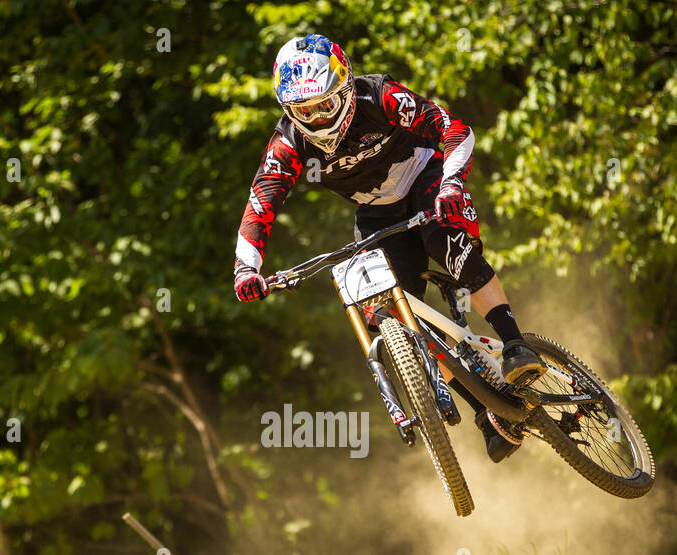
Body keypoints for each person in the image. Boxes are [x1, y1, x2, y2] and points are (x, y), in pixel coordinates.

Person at [232, 33, 545, 462]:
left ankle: (514, 344)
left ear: (344, 85)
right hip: (377, 215)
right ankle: (486, 412)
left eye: (325, 104)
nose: (319, 118)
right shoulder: (288, 144)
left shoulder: (378, 96)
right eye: (306, 110)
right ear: (289, 111)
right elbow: (260, 204)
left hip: (427, 179)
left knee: (443, 241)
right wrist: (245, 269)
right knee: (389, 315)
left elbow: (455, 130)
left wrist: (453, 182)